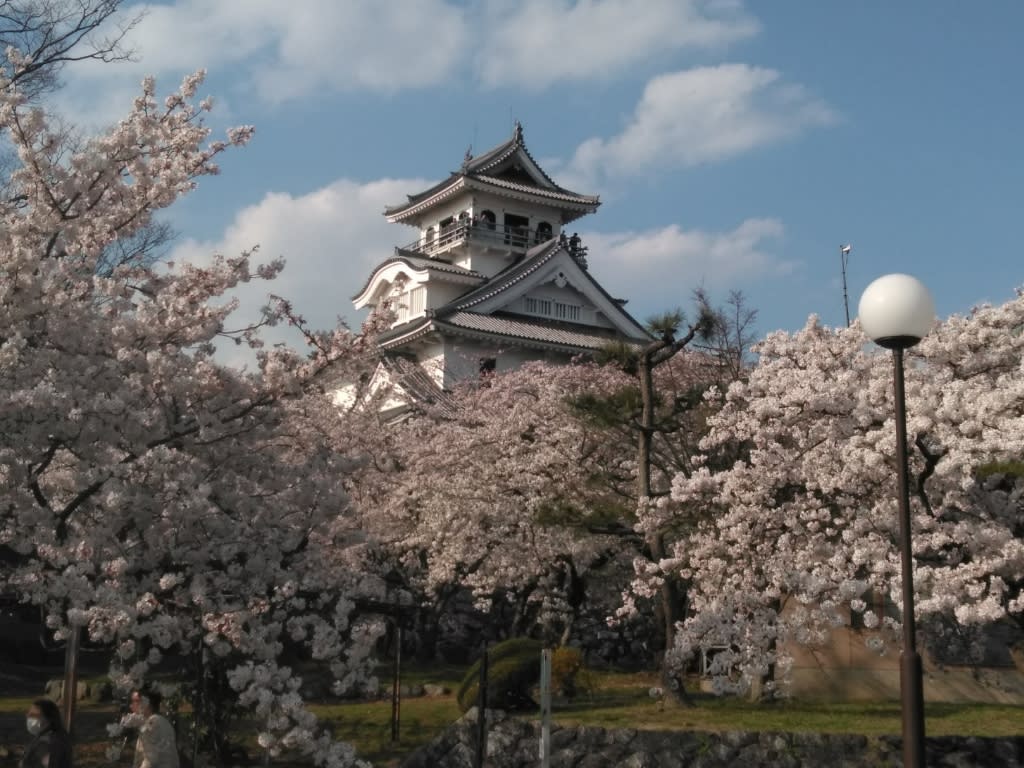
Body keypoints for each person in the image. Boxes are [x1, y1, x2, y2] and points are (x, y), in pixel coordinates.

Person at [130, 689, 179, 768]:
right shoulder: (160, 721)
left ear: (147, 703)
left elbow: (150, 760)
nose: (132, 705)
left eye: (136, 701)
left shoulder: (153, 723)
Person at [20, 699, 73, 768]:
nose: (28, 717)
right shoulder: (58, 734)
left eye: (34, 715)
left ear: (49, 719)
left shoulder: (46, 744)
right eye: (28, 714)